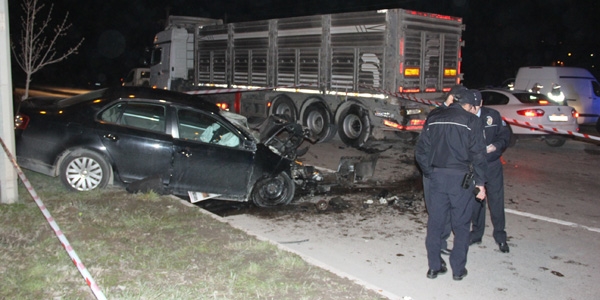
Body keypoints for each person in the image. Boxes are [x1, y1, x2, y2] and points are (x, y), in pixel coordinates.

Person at [415, 89, 487, 281]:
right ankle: (458, 269)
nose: (476, 111)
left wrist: (430, 173)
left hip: (437, 178)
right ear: (469, 106)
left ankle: (434, 267)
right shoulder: (472, 121)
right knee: (462, 225)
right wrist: (480, 183)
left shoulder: (434, 117)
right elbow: (479, 155)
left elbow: (421, 151)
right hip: (461, 180)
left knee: (435, 223)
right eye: (475, 107)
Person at [423, 85, 467, 256]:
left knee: (445, 209)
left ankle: (441, 242)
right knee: (437, 211)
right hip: (435, 170)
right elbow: (423, 147)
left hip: (446, 171)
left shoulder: (459, 117)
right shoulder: (437, 116)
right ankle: (437, 245)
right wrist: (428, 170)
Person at [469, 96, 511, 253]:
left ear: (480, 103)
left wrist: (496, 146)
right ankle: (476, 233)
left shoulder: (493, 115)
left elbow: (505, 135)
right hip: (473, 165)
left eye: (474, 106)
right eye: (469, 106)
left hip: (492, 164)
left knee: (496, 201)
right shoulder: (465, 117)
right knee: (476, 201)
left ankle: (500, 236)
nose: (472, 109)